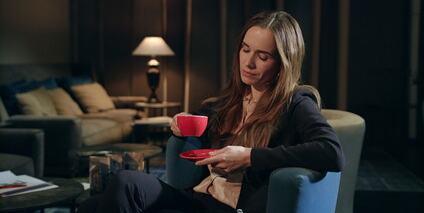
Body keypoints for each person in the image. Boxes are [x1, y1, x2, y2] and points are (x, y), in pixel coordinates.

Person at [77, 11, 345, 213]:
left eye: (263, 56)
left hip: (231, 208)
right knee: (108, 195)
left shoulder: (297, 102)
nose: (248, 62)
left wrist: (249, 157)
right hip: (197, 199)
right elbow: (195, 118)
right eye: (245, 49)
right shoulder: (231, 100)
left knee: (110, 196)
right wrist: (179, 123)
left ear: (283, 63)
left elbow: (332, 153)